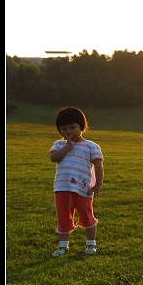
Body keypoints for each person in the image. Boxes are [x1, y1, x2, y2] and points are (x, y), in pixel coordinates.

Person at [49, 106, 104, 257]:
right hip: (62, 188)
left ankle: (91, 244)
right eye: (64, 128)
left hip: (83, 189)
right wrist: (68, 145)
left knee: (86, 215)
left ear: (82, 127)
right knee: (63, 216)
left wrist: (98, 184)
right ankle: (62, 246)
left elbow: (98, 165)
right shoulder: (59, 145)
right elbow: (54, 158)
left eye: (72, 127)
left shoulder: (90, 146)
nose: (68, 131)